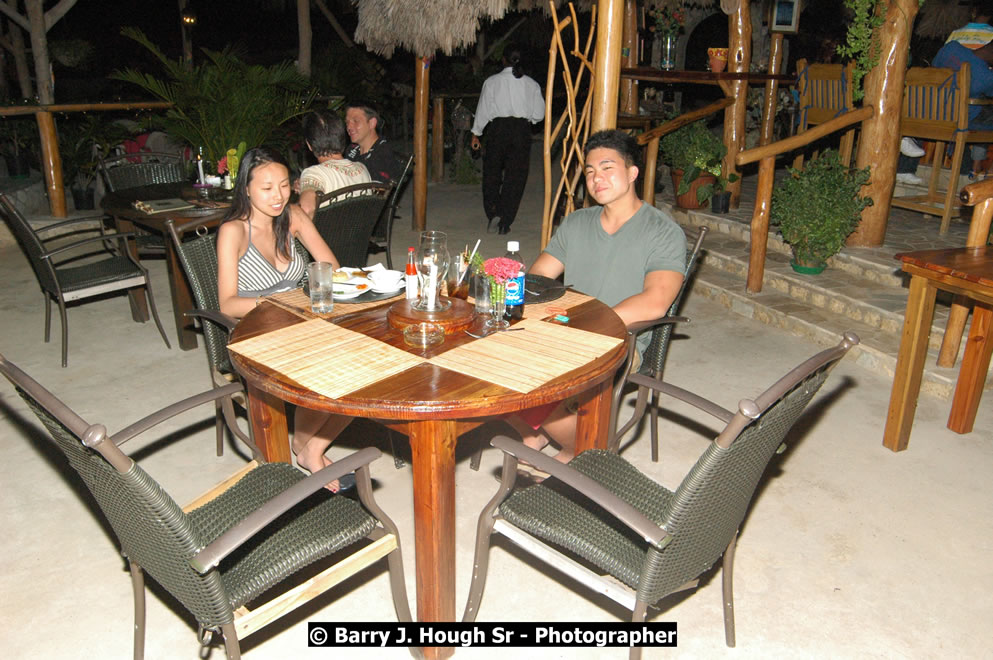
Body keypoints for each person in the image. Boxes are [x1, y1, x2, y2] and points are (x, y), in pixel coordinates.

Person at [505, 130, 686, 475]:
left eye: (607, 167)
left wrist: (584, 323)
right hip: (565, 329)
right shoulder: (577, 222)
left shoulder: (662, 231)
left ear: (633, 173)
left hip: (619, 340)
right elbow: (539, 279)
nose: (596, 178)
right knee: (484, 360)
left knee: (533, 378)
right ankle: (535, 433)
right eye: (589, 171)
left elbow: (655, 302)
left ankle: (581, 446)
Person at [216, 147, 353, 491]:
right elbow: (227, 303)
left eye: (283, 185)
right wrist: (281, 301)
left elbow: (332, 269)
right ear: (245, 189)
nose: (277, 196)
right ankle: (306, 450)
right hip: (258, 329)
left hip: (302, 320)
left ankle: (310, 448)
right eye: (266, 188)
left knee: (368, 371)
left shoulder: (293, 217)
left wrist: (313, 295)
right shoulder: (233, 232)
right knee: (337, 370)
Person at [470, 45, 545, 235]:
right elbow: (538, 115)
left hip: (498, 129)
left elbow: (484, 110)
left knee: (492, 173)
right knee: (516, 177)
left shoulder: (492, 82)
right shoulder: (532, 84)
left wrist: (476, 133)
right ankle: (506, 219)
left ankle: (493, 211)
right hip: (520, 130)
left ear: (503, 60)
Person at [297, 111, 372, 217]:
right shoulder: (362, 169)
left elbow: (307, 209)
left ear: (309, 145)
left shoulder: (314, 174)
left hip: (326, 232)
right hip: (358, 232)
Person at [344, 101, 402, 184]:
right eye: (347, 122)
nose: (349, 127)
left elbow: (377, 193)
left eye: (356, 121)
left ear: (372, 123)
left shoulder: (382, 155)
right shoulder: (352, 149)